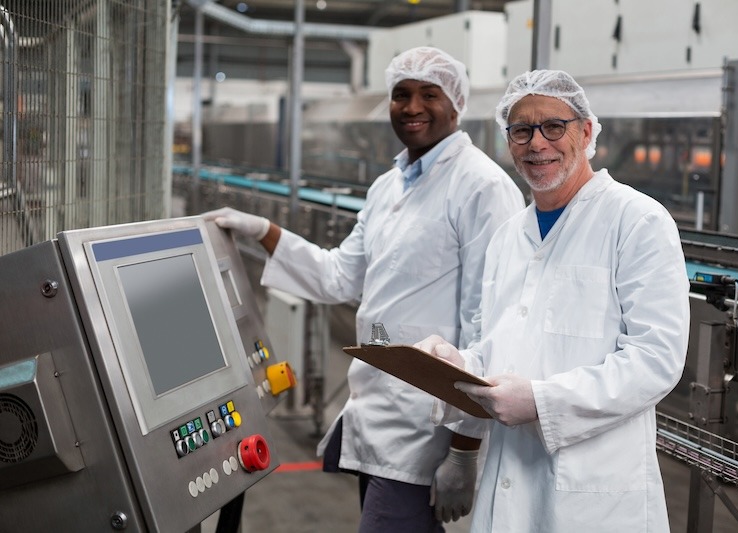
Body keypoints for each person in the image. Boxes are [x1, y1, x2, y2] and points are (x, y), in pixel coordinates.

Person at [204, 47, 525, 532]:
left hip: (426, 425)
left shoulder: (482, 187)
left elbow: (487, 323)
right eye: (401, 94)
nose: (412, 107)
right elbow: (338, 276)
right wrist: (263, 231)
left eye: (428, 94)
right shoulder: (387, 189)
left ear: (455, 104)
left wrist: (464, 447)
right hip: (375, 409)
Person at [414, 69, 690, 532]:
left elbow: (656, 359)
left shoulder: (637, 220)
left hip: (593, 496)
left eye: (553, 127)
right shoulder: (507, 238)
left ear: (585, 132)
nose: (536, 143)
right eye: (521, 130)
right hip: (507, 483)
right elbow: (496, 347)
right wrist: (456, 363)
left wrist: (542, 402)